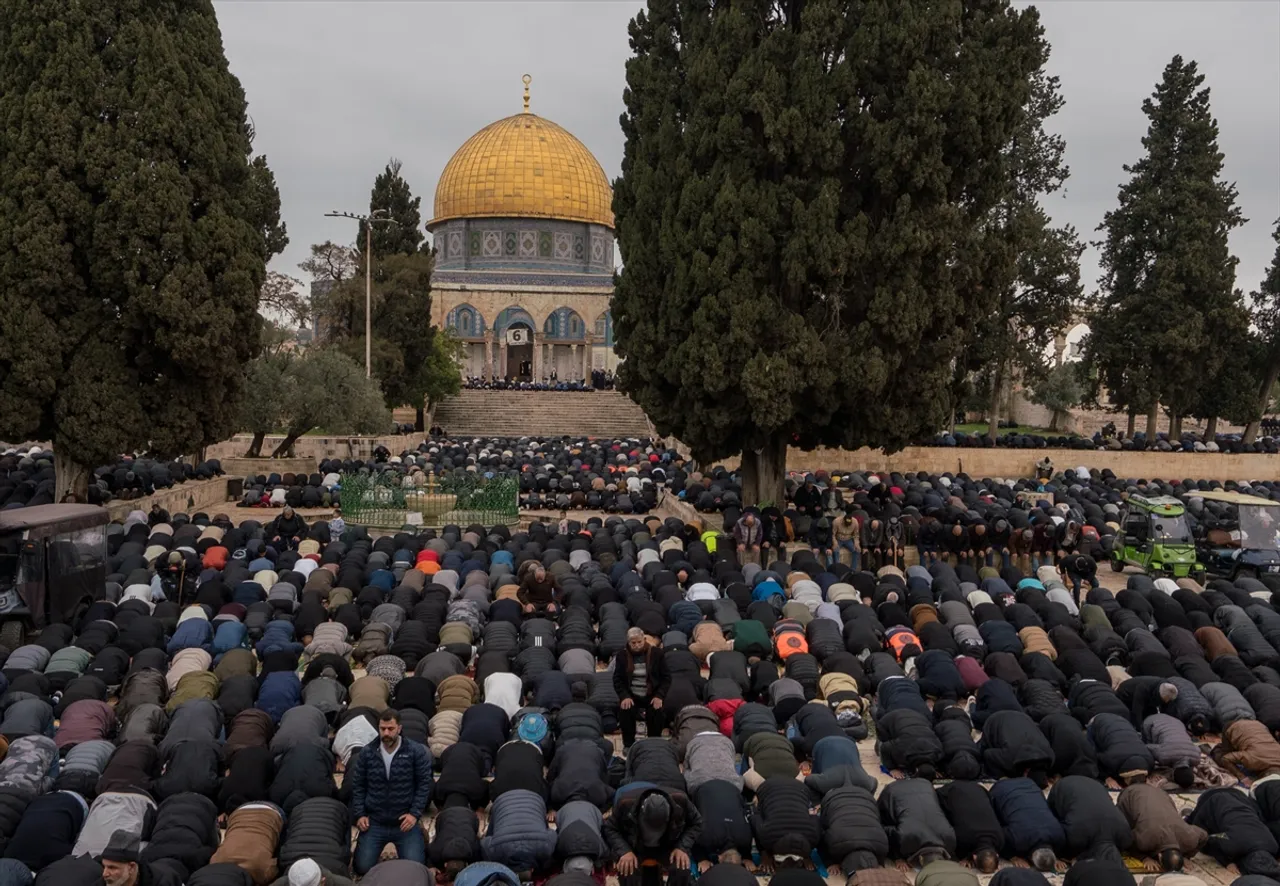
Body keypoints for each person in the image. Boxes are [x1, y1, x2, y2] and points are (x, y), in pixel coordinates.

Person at [348, 708, 433, 875]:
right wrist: (360, 814)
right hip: (375, 821)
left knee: (415, 869)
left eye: (390, 729)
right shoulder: (367, 753)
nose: (386, 733)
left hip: (404, 822)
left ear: (399, 728)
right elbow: (358, 786)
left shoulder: (415, 751)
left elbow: (424, 784)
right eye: (382, 729)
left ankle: (419, 833)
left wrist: (414, 814)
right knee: (362, 868)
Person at [603, 782, 702, 886]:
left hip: (667, 845)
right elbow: (610, 827)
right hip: (636, 847)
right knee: (627, 868)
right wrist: (625, 851)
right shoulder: (625, 803)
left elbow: (697, 823)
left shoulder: (681, 800)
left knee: (681, 866)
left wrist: (682, 847)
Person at [613, 628, 664, 748]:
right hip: (632, 693)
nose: (636, 645)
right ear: (629, 643)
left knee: (657, 711)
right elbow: (618, 679)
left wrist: (659, 695)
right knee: (625, 709)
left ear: (644, 640)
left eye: (639, 642)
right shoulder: (622, 656)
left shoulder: (657, 654)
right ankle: (629, 744)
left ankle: (654, 743)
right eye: (633, 643)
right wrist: (624, 696)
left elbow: (666, 678)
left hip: (652, 693)